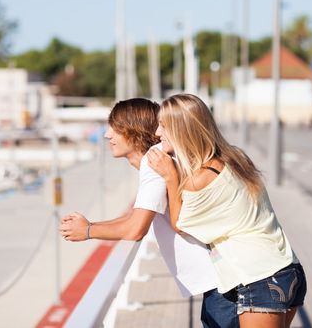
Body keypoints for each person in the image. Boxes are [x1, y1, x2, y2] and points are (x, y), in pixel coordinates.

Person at [60, 98, 239, 327]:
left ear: (133, 131)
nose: (107, 135)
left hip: (224, 282)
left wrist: (88, 230)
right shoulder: (159, 159)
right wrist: (91, 224)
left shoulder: (154, 163)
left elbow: (136, 229)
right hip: (223, 278)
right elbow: (137, 215)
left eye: (114, 128)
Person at [146, 94, 307, 328]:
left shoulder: (201, 178)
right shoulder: (234, 158)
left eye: (163, 126)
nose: (157, 133)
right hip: (288, 269)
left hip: (259, 278)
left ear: (182, 130)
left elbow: (180, 223)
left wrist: (170, 176)